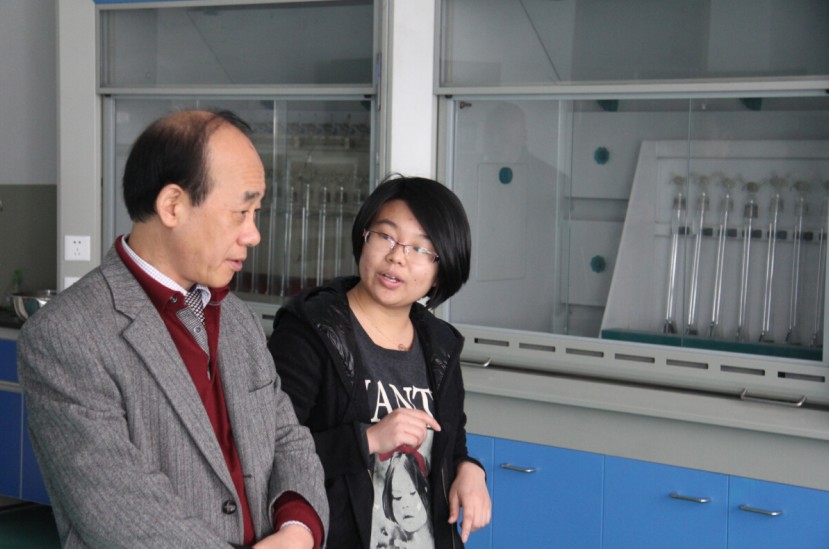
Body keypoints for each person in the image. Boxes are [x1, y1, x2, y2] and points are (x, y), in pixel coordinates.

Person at [17, 109, 328, 549]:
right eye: (241, 212)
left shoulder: (237, 319)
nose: (253, 234)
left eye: (256, 212)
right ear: (173, 206)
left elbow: (286, 438)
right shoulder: (67, 335)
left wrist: (298, 530)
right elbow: (121, 510)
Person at [267, 174, 491, 548]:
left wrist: (471, 470)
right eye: (386, 236)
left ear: (441, 270)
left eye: (420, 248)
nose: (397, 256)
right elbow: (267, 452)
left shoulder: (440, 345)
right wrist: (368, 439)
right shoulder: (310, 330)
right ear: (364, 237)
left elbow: (452, 445)